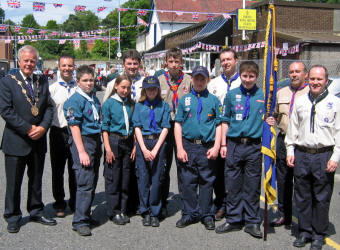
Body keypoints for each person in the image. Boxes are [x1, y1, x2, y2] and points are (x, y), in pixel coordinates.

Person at [0, 45, 56, 233]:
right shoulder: (8, 81)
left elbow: (49, 107)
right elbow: (6, 110)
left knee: (36, 179)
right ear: (19, 61)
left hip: (38, 140)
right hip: (16, 140)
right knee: (14, 182)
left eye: (33, 61)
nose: (29, 64)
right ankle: (13, 216)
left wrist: (43, 127)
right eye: (26, 60)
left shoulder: (42, 80)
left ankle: (36, 210)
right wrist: (28, 128)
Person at [216, 61, 273, 239]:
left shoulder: (264, 96)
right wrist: (224, 144)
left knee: (252, 185)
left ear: (256, 77)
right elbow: (225, 120)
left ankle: (251, 221)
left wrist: (271, 119)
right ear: (240, 75)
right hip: (234, 144)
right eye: (245, 76)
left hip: (254, 146)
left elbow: (269, 116)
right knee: (233, 184)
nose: (247, 80)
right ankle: (233, 219)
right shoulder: (232, 95)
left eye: (251, 76)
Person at [285, 65, 340, 250]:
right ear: (308, 80)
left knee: (321, 198)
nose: (315, 82)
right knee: (302, 196)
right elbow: (292, 129)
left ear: (326, 81)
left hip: (324, 155)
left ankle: (318, 235)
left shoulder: (335, 102)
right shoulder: (300, 102)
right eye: (313, 79)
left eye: (319, 79)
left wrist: (335, 157)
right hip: (302, 154)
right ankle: (305, 232)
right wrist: (290, 151)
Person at [174, 66, 221, 231]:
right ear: (192, 80)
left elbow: (219, 124)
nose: (199, 82)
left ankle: (206, 214)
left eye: (203, 79)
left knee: (207, 181)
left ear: (207, 80)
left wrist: (217, 146)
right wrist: (179, 148)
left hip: (207, 146)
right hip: (188, 145)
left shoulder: (214, 100)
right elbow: (178, 124)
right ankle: (189, 213)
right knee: (188, 181)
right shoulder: (184, 99)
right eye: (196, 78)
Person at [267, 61, 309, 229]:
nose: (293, 74)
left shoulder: (309, 93)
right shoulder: (281, 92)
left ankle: (303, 219)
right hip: (284, 140)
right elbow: (276, 114)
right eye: (291, 71)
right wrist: (271, 119)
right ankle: (284, 214)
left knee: (302, 183)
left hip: (302, 143)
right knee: (283, 180)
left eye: (297, 71)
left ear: (305, 74)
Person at [63, 65, 102, 236]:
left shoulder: (93, 97)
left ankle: (86, 213)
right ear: (77, 82)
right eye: (85, 81)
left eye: (91, 80)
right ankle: (79, 221)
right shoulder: (74, 101)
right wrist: (81, 151)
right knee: (84, 182)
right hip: (83, 142)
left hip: (95, 141)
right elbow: (74, 126)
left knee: (92, 180)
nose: (89, 83)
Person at [207, 48, 241, 220]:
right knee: (218, 173)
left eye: (229, 59)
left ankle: (234, 204)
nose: (226, 63)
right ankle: (221, 203)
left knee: (235, 173)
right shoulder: (213, 84)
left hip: (237, 134)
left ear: (236, 60)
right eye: (223, 60)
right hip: (217, 134)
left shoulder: (244, 82)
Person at [132, 76, 170, 227]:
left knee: (157, 178)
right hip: (143, 141)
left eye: (154, 88)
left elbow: (166, 127)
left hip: (158, 142)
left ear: (158, 89)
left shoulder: (164, 106)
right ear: (144, 90)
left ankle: (155, 211)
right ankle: (145, 211)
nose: (152, 91)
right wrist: (143, 148)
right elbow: (137, 127)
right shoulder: (139, 106)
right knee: (143, 178)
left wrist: (155, 149)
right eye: (149, 89)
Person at [158, 48, 192, 215]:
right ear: (166, 62)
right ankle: (162, 202)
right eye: (170, 61)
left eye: (176, 61)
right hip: (164, 128)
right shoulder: (159, 80)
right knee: (163, 166)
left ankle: (187, 203)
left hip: (182, 127)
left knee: (183, 166)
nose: (173, 65)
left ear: (181, 63)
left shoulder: (188, 80)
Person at [102, 74, 136, 225]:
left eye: (128, 88)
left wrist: (134, 145)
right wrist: (108, 149)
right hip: (114, 141)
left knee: (125, 177)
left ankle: (123, 209)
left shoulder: (130, 104)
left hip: (127, 142)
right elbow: (105, 128)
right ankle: (114, 211)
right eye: (123, 87)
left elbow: (134, 126)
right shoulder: (109, 103)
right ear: (116, 86)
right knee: (114, 177)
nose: (125, 90)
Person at [49, 55, 77, 218]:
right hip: (57, 132)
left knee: (75, 169)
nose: (67, 68)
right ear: (59, 67)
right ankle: (59, 202)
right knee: (57, 170)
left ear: (74, 67)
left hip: (75, 132)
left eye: (70, 65)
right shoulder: (52, 89)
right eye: (64, 66)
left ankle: (74, 201)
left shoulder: (78, 87)